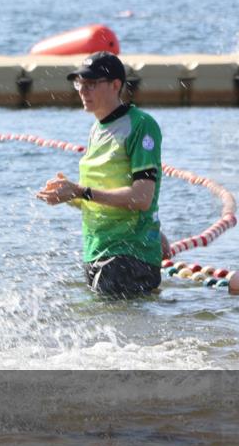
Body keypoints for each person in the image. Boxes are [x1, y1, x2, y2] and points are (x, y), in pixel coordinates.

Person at [35, 51, 165, 297]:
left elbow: (142, 197)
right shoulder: (97, 128)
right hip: (98, 251)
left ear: (116, 85)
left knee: (109, 330)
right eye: (79, 84)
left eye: (91, 84)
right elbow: (103, 197)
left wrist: (80, 191)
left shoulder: (140, 125)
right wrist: (68, 194)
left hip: (127, 258)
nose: (83, 90)